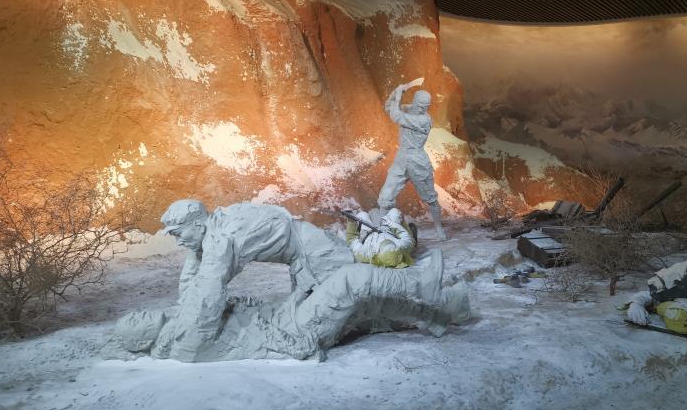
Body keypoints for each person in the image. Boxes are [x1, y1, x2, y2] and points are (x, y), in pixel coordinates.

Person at [108, 199, 469, 362]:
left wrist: (195, 251)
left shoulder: (217, 241)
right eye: (135, 321)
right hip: (291, 327)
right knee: (352, 290)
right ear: (142, 340)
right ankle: (427, 296)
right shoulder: (184, 339)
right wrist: (194, 247)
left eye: (178, 233)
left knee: (357, 300)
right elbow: (206, 293)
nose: (139, 313)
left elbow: (198, 290)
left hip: (299, 279)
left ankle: (433, 307)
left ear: (198, 224)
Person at [377, 78, 447, 241]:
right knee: (385, 198)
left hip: (418, 160)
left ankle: (439, 228)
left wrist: (399, 95)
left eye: (426, 106)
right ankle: (384, 231)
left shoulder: (424, 120)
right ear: (415, 102)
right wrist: (396, 93)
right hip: (401, 159)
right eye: (421, 105)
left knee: (430, 198)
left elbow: (396, 116)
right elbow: (389, 108)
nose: (423, 109)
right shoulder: (409, 110)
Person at [346, 208, 415, 268]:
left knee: (362, 214)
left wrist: (351, 222)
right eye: (390, 243)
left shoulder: (367, 254)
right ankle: (414, 237)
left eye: (384, 245)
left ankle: (360, 224)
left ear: (379, 253)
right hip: (388, 231)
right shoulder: (403, 246)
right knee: (395, 212)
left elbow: (351, 241)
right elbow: (405, 234)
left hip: (368, 233)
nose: (386, 241)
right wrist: (390, 223)